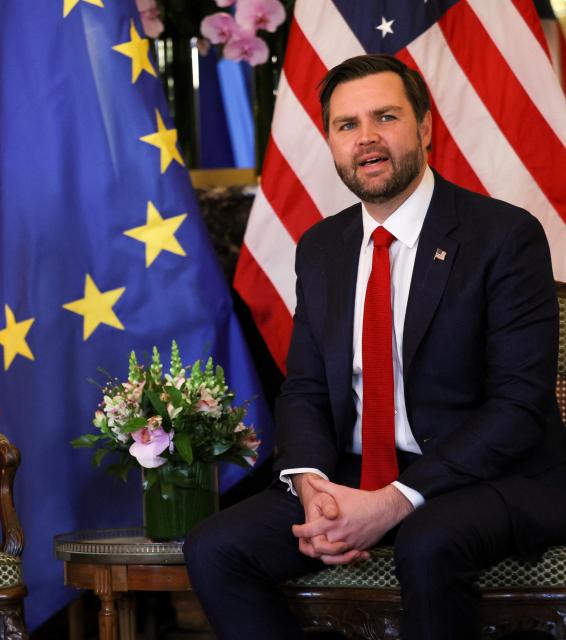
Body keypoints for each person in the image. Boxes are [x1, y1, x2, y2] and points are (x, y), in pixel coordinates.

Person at [184, 54, 566, 640]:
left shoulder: (505, 237)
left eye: (385, 117)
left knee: (427, 539)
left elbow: (516, 409)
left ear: (425, 127)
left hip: (490, 476)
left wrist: (394, 500)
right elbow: (307, 388)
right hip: (353, 471)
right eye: (346, 125)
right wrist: (311, 484)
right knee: (214, 546)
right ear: (331, 142)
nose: (367, 139)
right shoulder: (321, 247)